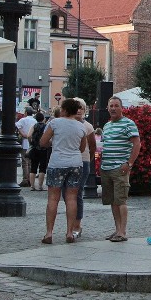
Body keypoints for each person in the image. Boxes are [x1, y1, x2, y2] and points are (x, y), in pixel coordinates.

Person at [38, 98, 87, 244]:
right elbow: (82, 148)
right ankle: (70, 232)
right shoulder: (81, 127)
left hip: (57, 162)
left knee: (53, 198)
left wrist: (54, 143)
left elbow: (42, 142)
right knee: (72, 198)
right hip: (75, 163)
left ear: (64, 110)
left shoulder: (54, 123)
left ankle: (49, 233)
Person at [100, 96, 141, 242]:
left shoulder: (128, 124)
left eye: (116, 106)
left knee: (121, 200)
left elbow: (137, 144)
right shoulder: (107, 125)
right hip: (106, 167)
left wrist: (129, 163)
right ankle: (117, 229)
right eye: (111, 106)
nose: (113, 108)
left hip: (120, 168)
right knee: (112, 201)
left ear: (121, 108)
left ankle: (123, 231)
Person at [70, 97, 97, 239]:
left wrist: (88, 160)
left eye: (81, 107)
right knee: (68, 195)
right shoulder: (67, 124)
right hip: (69, 162)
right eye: (77, 107)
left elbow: (93, 147)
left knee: (77, 193)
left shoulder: (88, 126)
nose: (79, 110)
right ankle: (71, 224)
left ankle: (77, 224)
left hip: (83, 162)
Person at [28, 112, 50, 191]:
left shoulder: (34, 126)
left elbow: (29, 135)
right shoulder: (46, 126)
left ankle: (32, 186)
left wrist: (31, 142)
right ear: (43, 118)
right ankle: (40, 185)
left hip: (34, 148)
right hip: (43, 148)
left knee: (33, 167)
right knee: (42, 168)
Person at [16, 107, 37, 187]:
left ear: (25, 113)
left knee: (25, 162)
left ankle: (25, 179)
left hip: (25, 142)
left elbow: (17, 126)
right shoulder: (34, 120)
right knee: (31, 162)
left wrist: (22, 133)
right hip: (32, 143)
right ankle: (31, 179)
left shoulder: (23, 120)